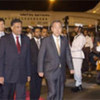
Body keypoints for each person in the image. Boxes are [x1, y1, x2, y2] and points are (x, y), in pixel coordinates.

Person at [38, 20, 74, 100]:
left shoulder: (64, 40)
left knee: (60, 92)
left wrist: (71, 67)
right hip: (50, 70)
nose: (57, 30)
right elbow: (41, 56)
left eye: (59, 27)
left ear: (61, 29)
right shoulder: (46, 41)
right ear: (52, 29)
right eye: (55, 27)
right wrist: (40, 70)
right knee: (53, 91)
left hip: (61, 71)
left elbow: (68, 54)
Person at [0, 19, 31, 100]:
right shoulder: (4, 39)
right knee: (6, 96)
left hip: (22, 74)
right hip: (8, 75)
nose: (19, 29)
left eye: (20, 27)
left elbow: (28, 57)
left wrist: (28, 73)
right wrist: (1, 75)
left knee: (21, 97)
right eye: (17, 27)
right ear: (11, 28)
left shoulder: (26, 39)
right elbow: (1, 58)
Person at [71, 26, 86, 92]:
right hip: (74, 55)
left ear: (80, 28)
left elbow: (79, 47)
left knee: (77, 71)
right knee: (75, 70)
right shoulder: (75, 36)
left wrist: (70, 49)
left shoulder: (82, 37)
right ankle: (77, 84)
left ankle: (79, 85)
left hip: (78, 55)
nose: (75, 29)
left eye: (76, 28)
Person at [30, 27, 42, 100]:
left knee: (39, 84)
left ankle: (37, 97)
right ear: (33, 33)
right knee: (33, 85)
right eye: (37, 32)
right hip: (32, 67)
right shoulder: (29, 42)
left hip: (41, 68)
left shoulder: (44, 41)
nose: (38, 33)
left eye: (39, 32)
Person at [0, 18, 7, 99]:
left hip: (5, 68)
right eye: (0, 24)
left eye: (2, 24)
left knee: (5, 90)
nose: (1, 26)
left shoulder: (8, 37)